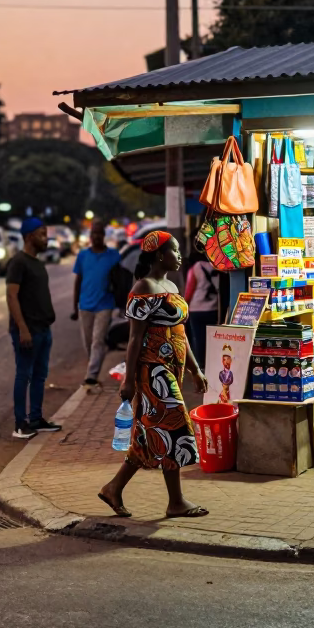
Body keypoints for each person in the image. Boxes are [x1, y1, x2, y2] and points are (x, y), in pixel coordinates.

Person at [99, 231, 210, 519]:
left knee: (150, 435)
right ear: (160, 255)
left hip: (172, 370)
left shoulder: (171, 285)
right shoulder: (143, 287)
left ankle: (113, 488)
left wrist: (195, 370)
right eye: (174, 250)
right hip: (153, 372)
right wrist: (129, 380)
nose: (180, 255)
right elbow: (134, 339)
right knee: (174, 427)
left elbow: (180, 333)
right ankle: (176, 502)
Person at [5, 217, 62, 440]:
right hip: (28, 330)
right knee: (24, 375)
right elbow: (12, 296)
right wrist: (22, 328)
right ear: (29, 237)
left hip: (43, 328)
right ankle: (20, 424)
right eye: (42, 234)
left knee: (40, 375)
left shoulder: (37, 263)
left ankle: (36, 419)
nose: (46, 239)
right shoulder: (18, 262)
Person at [71, 218, 121, 387]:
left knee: (98, 340)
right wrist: (75, 306)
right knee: (88, 343)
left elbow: (120, 280)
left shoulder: (113, 256)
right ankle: (93, 366)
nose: (97, 236)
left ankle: (91, 375)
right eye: (94, 233)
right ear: (90, 236)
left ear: (104, 235)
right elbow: (78, 281)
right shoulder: (83, 255)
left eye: (100, 233)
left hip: (105, 304)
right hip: (85, 305)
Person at [184, 252, 220, 368]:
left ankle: (200, 365)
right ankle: (211, 364)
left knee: (198, 339)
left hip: (196, 309)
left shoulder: (196, 267)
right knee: (213, 339)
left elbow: (189, 290)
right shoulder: (218, 266)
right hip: (214, 309)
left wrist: (184, 306)